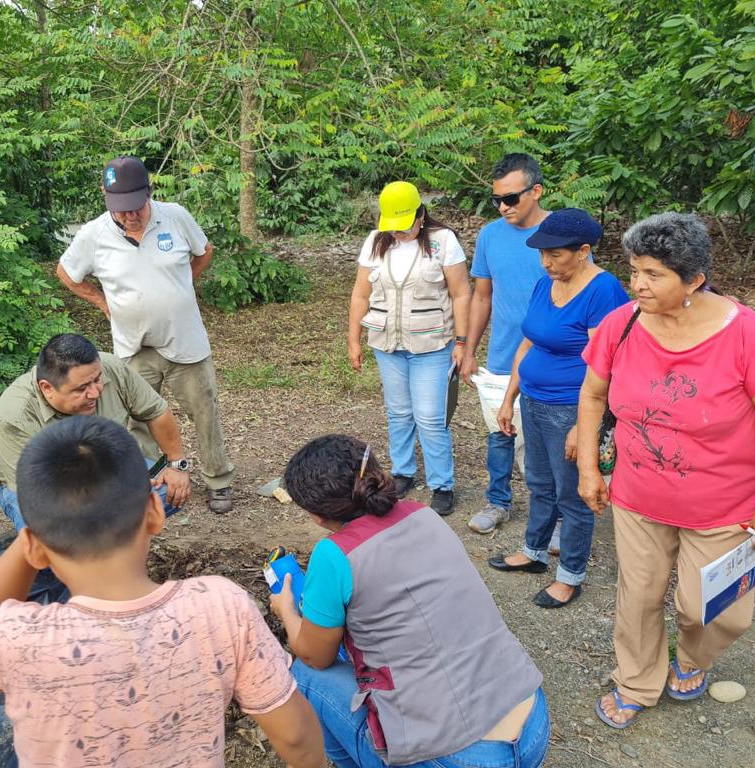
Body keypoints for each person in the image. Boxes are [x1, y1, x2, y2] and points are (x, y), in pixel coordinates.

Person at [0, 416, 327, 768]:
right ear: (154, 513)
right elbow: (296, 737)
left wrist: (28, 542)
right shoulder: (220, 607)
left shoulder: (14, 639)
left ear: (34, 548)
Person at [574, 213, 755, 728]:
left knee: (713, 610)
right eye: (634, 270)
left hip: (725, 505)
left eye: (654, 274)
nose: (638, 284)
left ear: (694, 280)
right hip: (638, 495)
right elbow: (592, 394)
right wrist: (589, 466)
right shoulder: (622, 324)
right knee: (639, 597)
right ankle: (636, 680)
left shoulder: (749, 336)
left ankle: (693, 656)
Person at [269, 434, 549, 768]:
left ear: (316, 515)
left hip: (457, 758)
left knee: (304, 675)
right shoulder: (423, 514)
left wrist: (287, 612)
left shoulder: (333, 554)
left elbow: (315, 656)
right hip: (533, 726)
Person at [57, 156, 235, 513]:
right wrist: (101, 302)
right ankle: (152, 479)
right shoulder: (94, 233)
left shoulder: (176, 216)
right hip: (133, 346)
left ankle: (218, 480)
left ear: (149, 192)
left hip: (185, 340)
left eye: (135, 206)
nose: (129, 216)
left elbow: (204, 252)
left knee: (205, 411)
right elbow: (66, 273)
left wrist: (181, 286)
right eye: (120, 209)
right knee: (137, 418)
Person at [487, 209, 628, 609]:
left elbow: (607, 365)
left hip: (570, 408)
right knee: (539, 482)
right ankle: (533, 552)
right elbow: (527, 343)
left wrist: (585, 426)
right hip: (534, 401)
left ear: (583, 251)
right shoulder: (545, 283)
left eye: (555, 254)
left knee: (573, 495)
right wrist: (509, 397)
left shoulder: (603, 291)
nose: (546, 262)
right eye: (542, 254)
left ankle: (570, 575)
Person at [347, 181, 470, 515]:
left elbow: (461, 293)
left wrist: (462, 342)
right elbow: (360, 294)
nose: (398, 232)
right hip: (388, 344)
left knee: (430, 417)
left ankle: (442, 484)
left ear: (421, 214)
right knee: (399, 412)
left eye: (404, 225)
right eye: (393, 226)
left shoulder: (443, 241)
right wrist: (354, 340)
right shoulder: (375, 241)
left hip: (431, 344)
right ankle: (402, 472)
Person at [0, 333, 191, 530]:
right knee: (54, 532)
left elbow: (156, 412)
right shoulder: (15, 417)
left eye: (97, 379)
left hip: (107, 466)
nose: (96, 392)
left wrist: (176, 465)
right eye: (82, 388)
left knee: (168, 491)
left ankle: (115, 538)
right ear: (47, 388)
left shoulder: (109, 367)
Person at [460, 154, 555, 537]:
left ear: (536, 191)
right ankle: (498, 501)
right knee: (499, 435)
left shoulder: (560, 233)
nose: (503, 207)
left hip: (549, 359)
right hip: (502, 357)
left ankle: (557, 514)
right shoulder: (490, 236)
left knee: (548, 440)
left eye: (511, 198)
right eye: (496, 199)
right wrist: (468, 349)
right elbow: (482, 296)